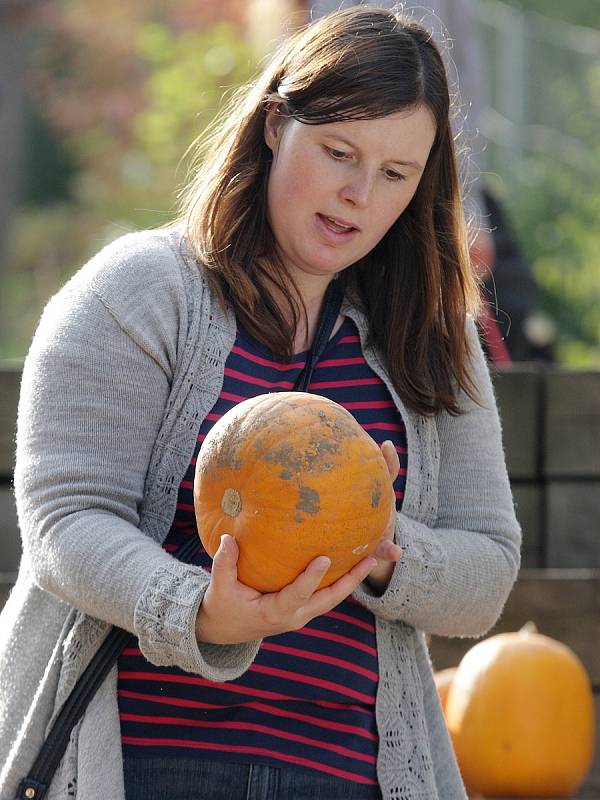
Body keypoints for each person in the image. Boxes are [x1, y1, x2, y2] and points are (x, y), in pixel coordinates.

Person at [0, 6, 521, 800]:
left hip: (354, 774)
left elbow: (487, 569)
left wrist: (385, 545)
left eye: (394, 175)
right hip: (144, 765)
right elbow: (65, 519)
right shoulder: (139, 293)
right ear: (277, 125)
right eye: (339, 152)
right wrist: (201, 611)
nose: (357, 195)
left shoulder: (432, 337)